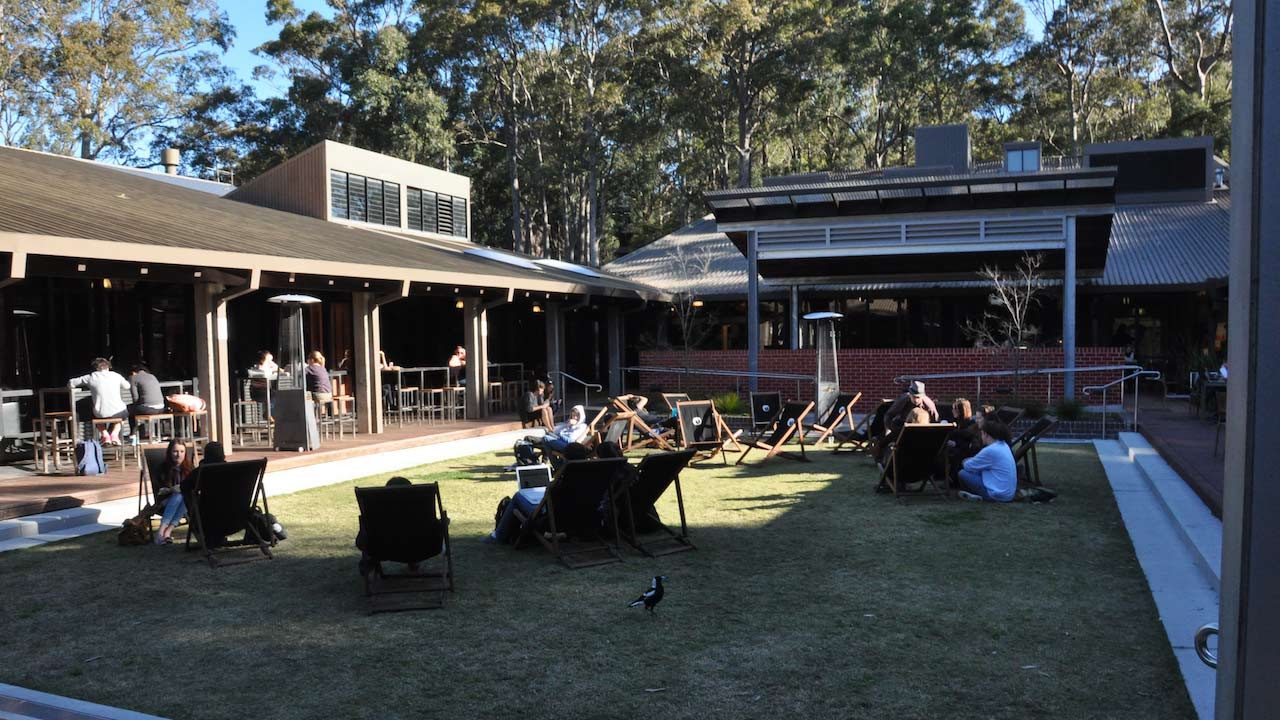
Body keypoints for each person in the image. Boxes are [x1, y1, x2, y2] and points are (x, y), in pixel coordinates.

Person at [485, 444, 592, 544]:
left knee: (518, 496)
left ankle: (498, 536)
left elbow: (550, 496)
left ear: (565, 458)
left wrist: (552, 485)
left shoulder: (564, 481)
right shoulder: (592, 477)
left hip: (552, 520)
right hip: (583, 517)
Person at [69, 358, 132, 445]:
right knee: (123, 415)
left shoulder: (91, 377)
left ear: (96, 368)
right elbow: (127, 386)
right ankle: (114, 434)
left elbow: (71, 382)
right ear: (108, 366)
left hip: (100, 413)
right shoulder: (116, 375)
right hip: (118, 412)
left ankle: (105, 435)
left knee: (94, 414)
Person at [956, 418, 1017, 502]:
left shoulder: (990, 450)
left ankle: (974, 495)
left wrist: (965, 460)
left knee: (962, 473)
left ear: (986, 434)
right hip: (1008, 495)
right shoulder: (1004, 446)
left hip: (996, 495)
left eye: (982, 434)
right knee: (977, 469)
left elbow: (968, 466)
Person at [154, 439, 195, 544]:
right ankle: (161, 531)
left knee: (184, 496)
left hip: (182, 500)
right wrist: (172, 489)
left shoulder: (189, 468)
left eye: (182, 452)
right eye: (175, 451)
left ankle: (168, 531)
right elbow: (160, 490)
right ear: (170, 452)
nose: (178, 455)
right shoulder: (163, 468)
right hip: (165, 500)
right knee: (179, 495)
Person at [127, 363, 166, 441]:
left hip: (148, 409)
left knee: (128, 409)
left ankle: (133, 434)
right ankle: (149, 433)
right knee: (137, 409)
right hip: (161, 407)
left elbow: (135, 398)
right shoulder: (152, 376)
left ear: (133, 372)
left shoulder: (133, 378)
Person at [248, 351, 278, 420]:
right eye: (268, 361)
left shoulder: (266, 367)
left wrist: (271, 363)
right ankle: (269, 413)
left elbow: (278, 368)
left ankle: (269, 413)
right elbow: (270, 371)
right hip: (258, 393)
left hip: (263, 392)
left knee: (273, 394)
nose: (270, 363)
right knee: (275, 395)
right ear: (262, 360)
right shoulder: (259, 368)